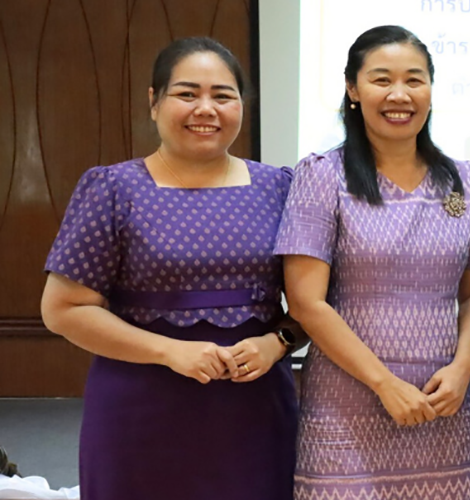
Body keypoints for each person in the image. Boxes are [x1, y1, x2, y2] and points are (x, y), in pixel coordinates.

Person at [40, 37, 300, 500]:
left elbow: (313, 303)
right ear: (154, 102)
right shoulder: (113, 189)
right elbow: (64, 309)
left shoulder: (280, 188)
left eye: (223, 95)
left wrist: (276, 343)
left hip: (255, 406)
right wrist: (169, 352)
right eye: (187, 93)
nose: (206, 109)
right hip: (140, 405)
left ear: (242, 106)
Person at [276, 25, 470, 500]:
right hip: (346, 407)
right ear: (353, 89)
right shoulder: (321, 175)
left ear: (430, 90)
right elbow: (304, 302)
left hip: (444, 406)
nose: (399, 94)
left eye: (414, 80)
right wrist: (384, 384)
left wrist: (464, 367)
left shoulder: (467, 181)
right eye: (382, 79)